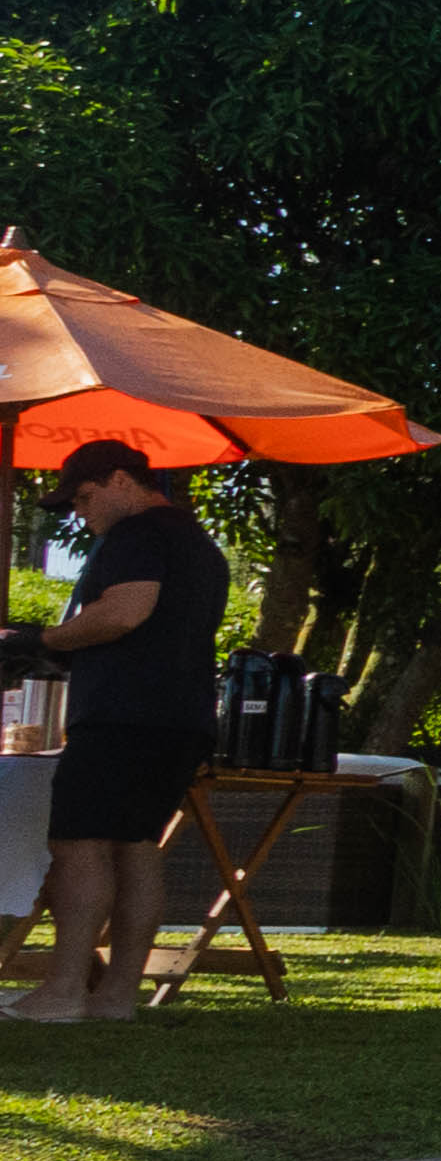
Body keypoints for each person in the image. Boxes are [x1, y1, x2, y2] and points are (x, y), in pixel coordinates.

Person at [5, 441, 230, 1029]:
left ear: (122, 481)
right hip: (181, 718)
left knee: (79, 846)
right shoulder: (198, 544)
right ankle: (113, 998)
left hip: (122, 716)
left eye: (85, 497)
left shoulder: (139, 535)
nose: (83, 514)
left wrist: (40, 641)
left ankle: (61, 992)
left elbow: (124, 613)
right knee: (135, 847)